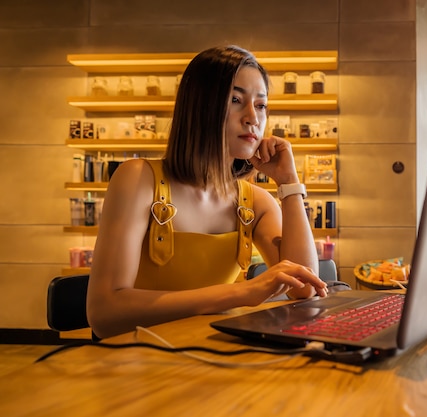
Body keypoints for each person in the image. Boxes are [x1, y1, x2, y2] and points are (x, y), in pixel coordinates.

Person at [86, 45, 328, 339]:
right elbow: (105, 313)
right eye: (236, 100)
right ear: (200, 106)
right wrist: (240, 293)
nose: (253, 117)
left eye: (261, 105)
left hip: (214, 357)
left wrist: (290, 184)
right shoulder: (138, 179)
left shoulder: (256, 201)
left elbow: (304, 288)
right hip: (139, 363)